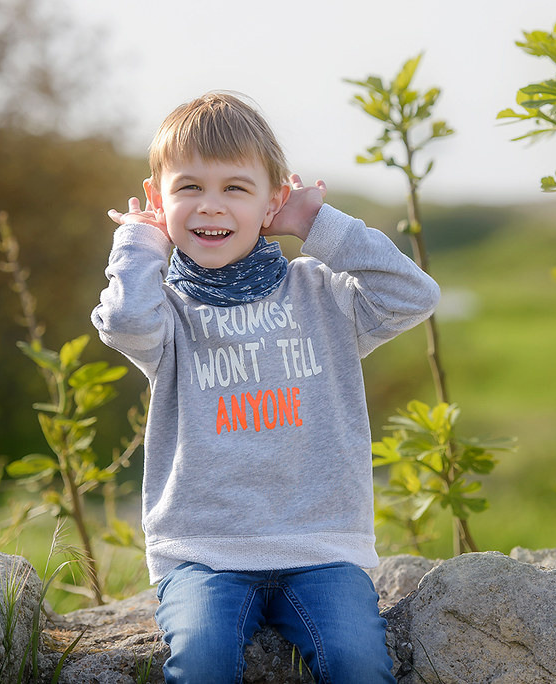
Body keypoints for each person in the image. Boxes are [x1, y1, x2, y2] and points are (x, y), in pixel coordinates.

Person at [91, 91, 440, 683]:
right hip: (204, 554)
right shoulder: (165, 312)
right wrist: (139, 242)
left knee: (356, 660)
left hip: (322, 548)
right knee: (202, 658)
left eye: (236, 187)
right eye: (189, 187)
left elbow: (415, 294)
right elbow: (124, 320)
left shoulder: (320, 294)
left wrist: (314, 223)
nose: (211, 205)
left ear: (273, 200)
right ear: (158, 198)